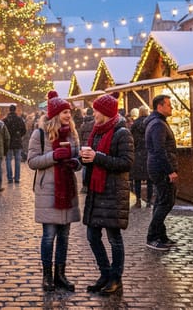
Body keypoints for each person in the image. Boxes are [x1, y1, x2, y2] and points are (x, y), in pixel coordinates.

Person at [27, 91, 82, 292]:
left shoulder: (73, 133)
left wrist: (76, 162)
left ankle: (61, 275)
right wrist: (53, 156)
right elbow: (32, 162)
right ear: (55, 114)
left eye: (69, 112)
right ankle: (47, 276)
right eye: (64, 112)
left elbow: (79, 160)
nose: (68, 115)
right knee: (49, 236)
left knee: (64, 237)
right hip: (48, 189)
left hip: (67, 188)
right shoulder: (39, 134)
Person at [79, 93, 133, 295]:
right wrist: (84, 158)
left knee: (114, 238)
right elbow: (94, 159)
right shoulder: (96, 131)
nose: (93, 114)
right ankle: (105, 273)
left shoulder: (122, 133)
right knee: (92, 235)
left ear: (107, 113)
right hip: (97, 190)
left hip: (112, 191)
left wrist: (97, 157)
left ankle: (116, 278)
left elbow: (126, 163)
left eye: (96, 110)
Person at [145, 94, 178, 252]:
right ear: (160, 106)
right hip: (160, 169)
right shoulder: (158, 125)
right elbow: (159, 150)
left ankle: (160, 235)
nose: (171, 108)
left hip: (157, 167)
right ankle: (152, 236)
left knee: (161, 201)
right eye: (169, 105)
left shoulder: (157, 122)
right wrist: (169, 170)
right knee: (166, 202)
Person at [129, 105, 152, 209]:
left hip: (138, 154)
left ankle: (138, 200)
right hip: (148, 153)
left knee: (137, 180)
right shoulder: (150, 124)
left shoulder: (134, 125)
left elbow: (132, 140)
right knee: (150, 180)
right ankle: (149, 201)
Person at [3, 104, 27, 184]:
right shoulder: (19, 119)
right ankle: (17, 178)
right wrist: (19, 135)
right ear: (15, 110)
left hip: (8, 142)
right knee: (17, 160)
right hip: (17, 142)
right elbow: (24, 130)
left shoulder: (5, 120)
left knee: (8, 160)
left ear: (9, 110)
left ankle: (9, 178)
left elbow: (2, 132)